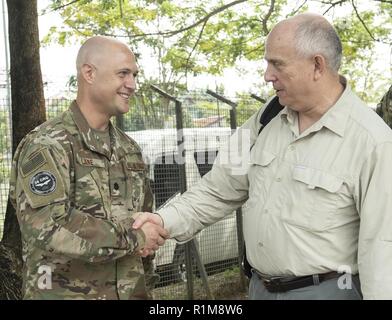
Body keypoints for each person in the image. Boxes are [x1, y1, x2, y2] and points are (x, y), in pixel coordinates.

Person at [134, 13, 392, 300]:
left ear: (317, 65)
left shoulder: (373, 142)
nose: (268, 75)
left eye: (277, 64)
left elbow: (383, 250)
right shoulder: (267, 117)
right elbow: (219, 189)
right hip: (259, 289)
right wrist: (162, 221)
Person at [9, 36, 168, 300]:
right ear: (89, 73)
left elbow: (144, 224)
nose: (132, 85)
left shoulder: (129, 150)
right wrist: (135, 237)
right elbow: (49, 226)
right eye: (123, 74)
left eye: (134, 75)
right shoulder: (48, 144)